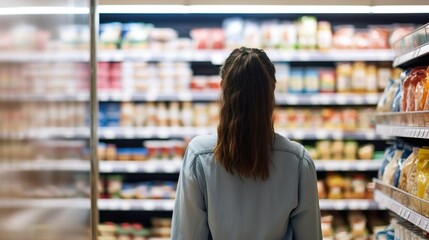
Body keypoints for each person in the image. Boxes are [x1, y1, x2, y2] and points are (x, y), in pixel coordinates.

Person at [171, 47, 322, 240]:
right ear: (271, 92)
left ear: (223, 89)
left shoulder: (199, 155)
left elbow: (187, 235)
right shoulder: (298, 161)